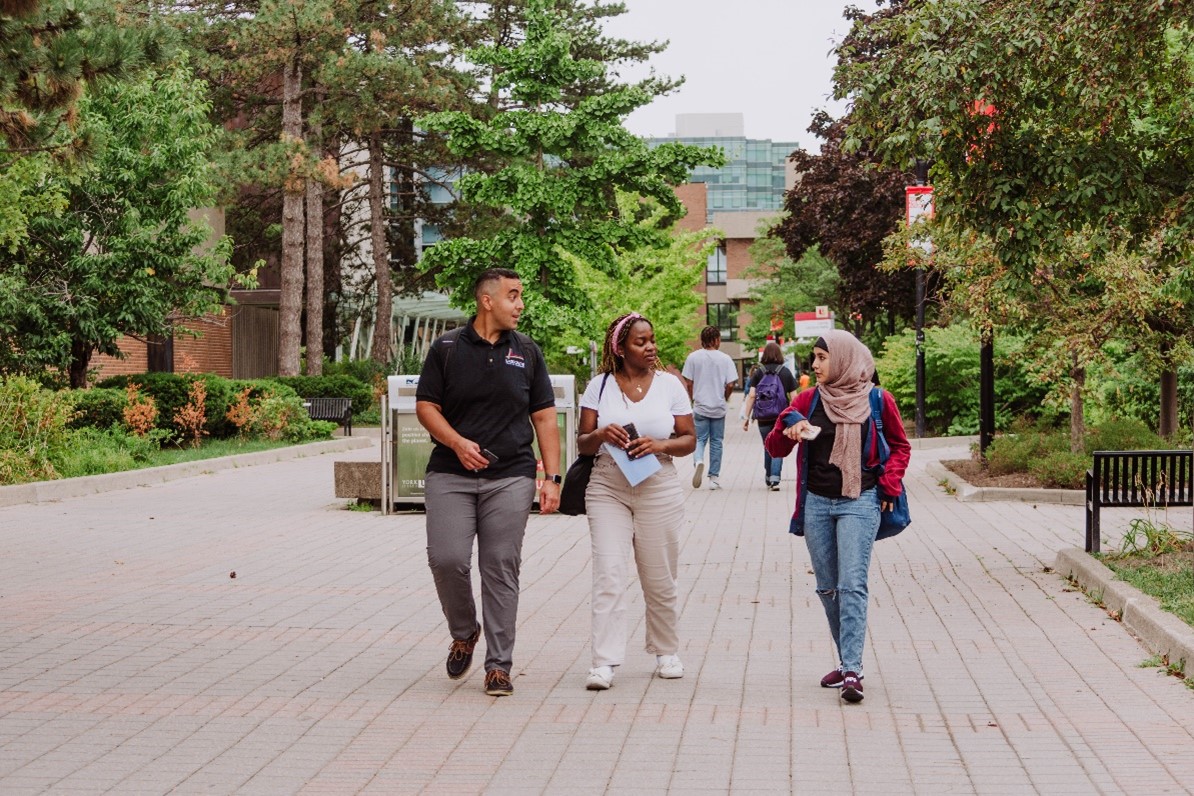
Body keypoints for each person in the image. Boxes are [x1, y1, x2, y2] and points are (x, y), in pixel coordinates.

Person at [415, 268, 561, 698]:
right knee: (447, 560)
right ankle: (464, 632)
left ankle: (498, 666)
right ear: (487, 300)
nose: (520, 304)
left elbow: (545, 418)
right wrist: (458, 443)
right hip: (450, 473)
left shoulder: (528, 351)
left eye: (521, 296)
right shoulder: (445, 349)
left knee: (500, 566)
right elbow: (427, 407)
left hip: (510, 476)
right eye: (513, 295)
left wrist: (551, 478)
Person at [765, 330, 910, 703]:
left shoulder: (878, 400)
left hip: (859, 501)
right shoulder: (807, 400)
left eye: (821, 358)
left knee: (852, 585)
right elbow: (774, 447)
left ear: (844, 359)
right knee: (827, 586)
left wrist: (888, 486)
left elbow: (899, 447)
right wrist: (790, 430)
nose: (814, 365)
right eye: (813, 358)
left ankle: (852, 669)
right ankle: (848, 661)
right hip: (816, 503)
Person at [577, 312, 696, 691]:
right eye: (640, 342)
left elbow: (689, 438)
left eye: (652, 340)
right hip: (608, 485)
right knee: (609, 574)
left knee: (659, 576)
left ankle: (666, 650)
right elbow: (581, 442)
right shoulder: (599, 386)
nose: (650, 347)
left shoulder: (670, 385)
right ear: (620, 348)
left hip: (658, 483)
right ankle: (604, 661)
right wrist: (600, 434)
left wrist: (659, 444)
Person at [681, 326, 739, 490]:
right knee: (716, 442)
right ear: (716, 340)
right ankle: (713, 478)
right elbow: (730, 384)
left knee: (699, 439)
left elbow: (689, 383)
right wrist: (725, 397)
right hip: (718, 407)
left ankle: (698, 460)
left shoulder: (693, 357)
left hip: (700, 406)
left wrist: (693, 398)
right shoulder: (725, 359)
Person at [742, 341, 798, 490]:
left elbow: (752, 395)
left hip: (763, 417)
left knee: (768, 445)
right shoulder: (785, 372)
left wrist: (746, 418)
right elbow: (794, 398)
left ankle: (768, 476)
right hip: (781, 416)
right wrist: (797, 418)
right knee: (778, 445)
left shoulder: (759, 372)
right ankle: (775, 479)